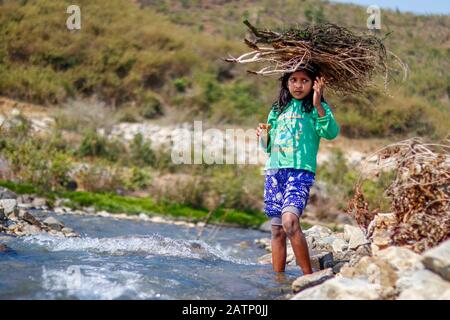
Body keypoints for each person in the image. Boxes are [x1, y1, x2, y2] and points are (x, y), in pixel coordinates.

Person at [256, 66, 340, 275]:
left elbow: (330, 132)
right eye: (293, 80)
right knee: (276, 230)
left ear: (314, 84)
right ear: (286, 82)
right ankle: (278, 281)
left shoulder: (317, 108)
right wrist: (261, 135)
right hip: (275, 172)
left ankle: (308, 277)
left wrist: (318, 104)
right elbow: (268, 147)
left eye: (304, 80)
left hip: (300, 171)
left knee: (290, 222)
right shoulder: (278, 109)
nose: (298, 85)